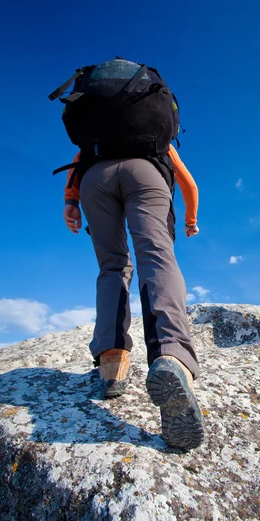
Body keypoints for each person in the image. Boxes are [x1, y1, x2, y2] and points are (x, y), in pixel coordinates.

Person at [62, 144, 205, 450]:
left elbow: (78, 161)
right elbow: (189, 184)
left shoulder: (98, 134)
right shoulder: (157, 139)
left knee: (112, 266)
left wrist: (71, 201)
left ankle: (111, 362)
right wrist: (191, 220)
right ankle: (172, 356)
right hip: (146, 172)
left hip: (94, 180)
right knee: (156, 257)